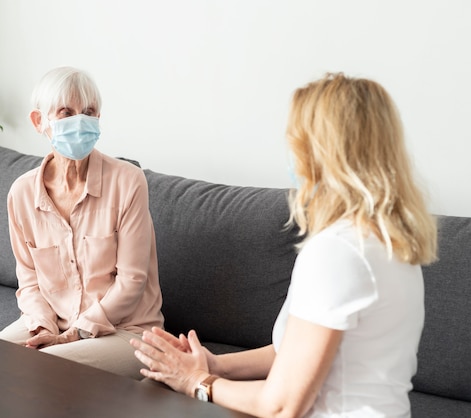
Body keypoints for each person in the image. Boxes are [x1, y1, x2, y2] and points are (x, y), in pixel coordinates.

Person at [130, 73, 437, 416]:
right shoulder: (392, 242)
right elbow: (298, 352)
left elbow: (282, 405)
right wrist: (216, 365)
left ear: (321, 153)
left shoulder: (338, 252)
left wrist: (197, 382)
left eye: (296, 142)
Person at [0, 66, 164, 380]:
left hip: (125, 331)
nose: (80, 121)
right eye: (66, 112)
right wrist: (45, 329)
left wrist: (73, 335)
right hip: (54, 320)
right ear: (39, 121)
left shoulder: (128, 182)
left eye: (89, 112)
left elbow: (132, 282)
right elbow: (29, 281)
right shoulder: (22, 193)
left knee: (45, 373)